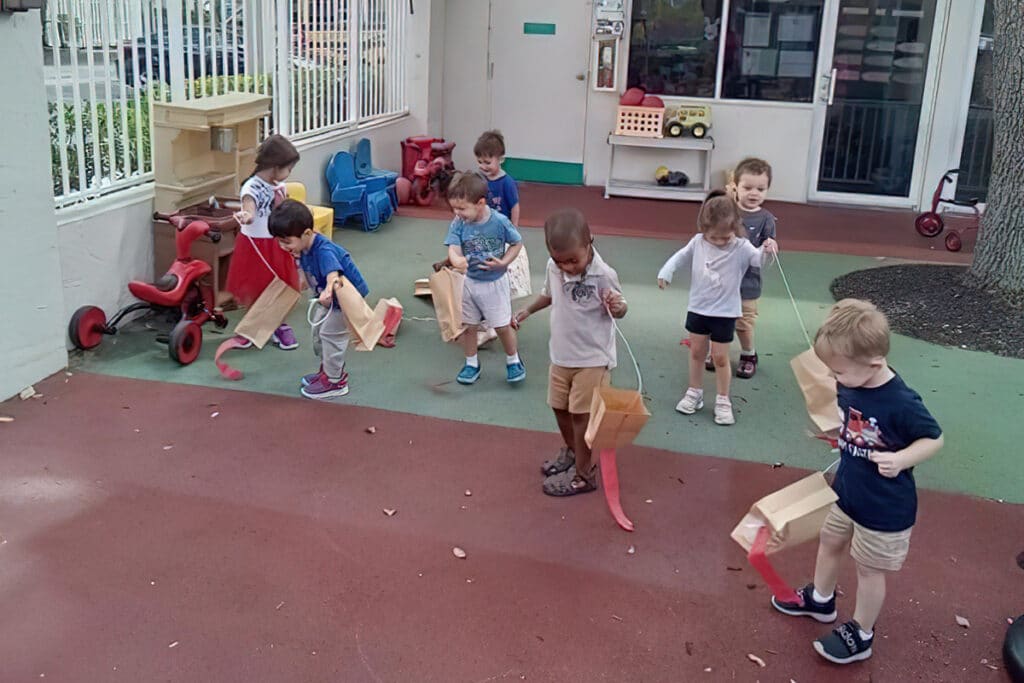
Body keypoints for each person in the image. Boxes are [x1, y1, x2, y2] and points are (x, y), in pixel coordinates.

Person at [771, 299, 943, 665]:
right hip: (848, 490)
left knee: (869, 568)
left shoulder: (901, 401)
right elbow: (855, 420)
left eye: (839, 373)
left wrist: (900, 459)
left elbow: (933, 438)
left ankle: (862, 632)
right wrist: (838, 435)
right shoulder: (852, 381)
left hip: (884, 507)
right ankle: (821, 599)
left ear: (875, 364)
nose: (835, 380)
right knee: (830, 539)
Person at [514, 208, 627, 496]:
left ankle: (584, 474)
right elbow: (550, 294)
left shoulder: (604, 274)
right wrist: (528, 309)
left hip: (592, 358)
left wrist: (618, 307)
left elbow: (621, 307)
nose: (567, 268)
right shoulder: (555, 269)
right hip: (562, 355)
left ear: (590, 243)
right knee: (559, 407)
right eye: (559, 261)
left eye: (573, 261)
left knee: (581, 416)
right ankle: (573, 452)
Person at [657, 190, 776, 425]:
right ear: (704, 229)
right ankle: (694, 392)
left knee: (720, 358)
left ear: (736, 228)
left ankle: (723, 400)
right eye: (714, 238)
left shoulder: (741, 247)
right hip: (699, 308)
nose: (720, 242)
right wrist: (666, 271)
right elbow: (680, 256)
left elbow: (758, 261)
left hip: (725, 312)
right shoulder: (698, 241)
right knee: (697, 352)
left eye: (725, 237)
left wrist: (766, 250)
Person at [268, 200, 369, 400]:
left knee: (331, 335)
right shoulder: (302, 248)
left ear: (306, 234)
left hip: (343, 300)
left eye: (286, 241)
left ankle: (335, 381)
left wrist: (329, 289)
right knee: (319, 333)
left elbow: (333, 273)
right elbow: (304, 275)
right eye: (279, 241)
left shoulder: (324, 249)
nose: (282, 246)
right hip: (329, 299)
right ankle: (327, 371)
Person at [443, 172, 525, 385]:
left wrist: (504, 262)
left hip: (495, 284)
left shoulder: (499, 221)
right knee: (470, 326)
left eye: (462, 208)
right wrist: (456, 260)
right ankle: (471, 363)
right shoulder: (459, 223)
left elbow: (517, 243)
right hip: (470, 283)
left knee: (501, 326)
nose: (457, 213)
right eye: (454, 208)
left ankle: (513, 360)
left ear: (480, 203)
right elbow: (453, 247)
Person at [227, 134, 302, 351]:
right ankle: (252, 326)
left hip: (276, 243)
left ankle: (278, 324)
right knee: (256, 286)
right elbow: (249, 208)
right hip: (255, 246)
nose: (289, 173)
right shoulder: (252, 186)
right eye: (288, 168)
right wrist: (246, 217)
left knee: (281, 285)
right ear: (275, 166)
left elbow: (283, 209)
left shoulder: (279, 185)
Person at [710, 157, 778, 378]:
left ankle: (749, 354)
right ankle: (717, 352)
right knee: (718, 318)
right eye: (747, 187)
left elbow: (770, 242)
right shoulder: (726, 210)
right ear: (735, 187)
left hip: (748, 282)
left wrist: (771, 245)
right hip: (722, 279)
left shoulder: (766, 218)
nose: (754, 193)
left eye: (761, 188)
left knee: (743, 322)